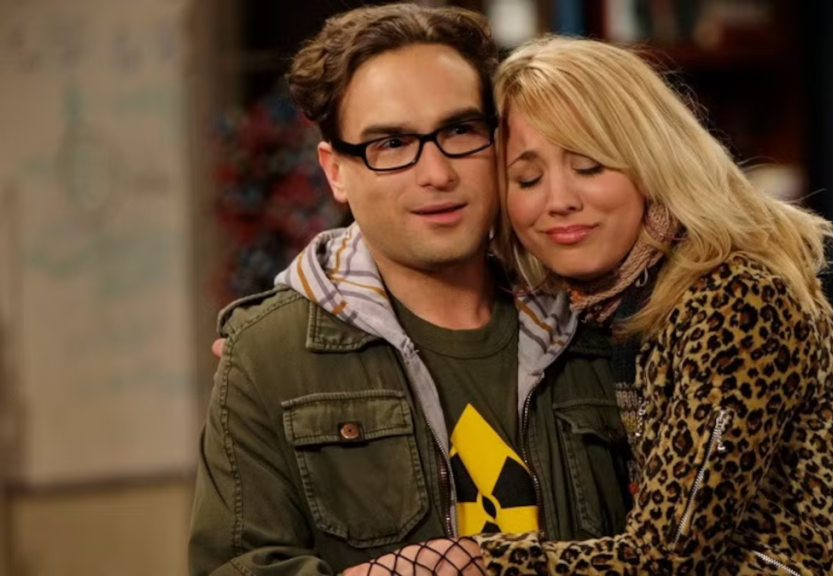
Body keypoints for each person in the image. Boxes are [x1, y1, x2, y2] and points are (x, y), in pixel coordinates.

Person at [351, 36, 833, 575]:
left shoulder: (737, 297)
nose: (559, 201)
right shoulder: (604, 301)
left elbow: (670, 556)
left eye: (589, 167)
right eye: (528, 178)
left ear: (652, 163)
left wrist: (474, 561)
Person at [188, 10, 634, 576]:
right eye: (393, 143)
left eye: (459, 131)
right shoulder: (267, 356)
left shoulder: (599, 326)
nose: (436, 173)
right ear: (336, 171)